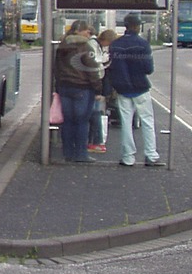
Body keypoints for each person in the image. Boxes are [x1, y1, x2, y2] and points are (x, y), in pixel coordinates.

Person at [108, 13, 165, 167]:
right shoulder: (142, 44)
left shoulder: (115, 44)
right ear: (137, 26)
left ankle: (128, 157)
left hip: (122, 88)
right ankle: (151, 155)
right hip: (140, 87)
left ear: (126, 26)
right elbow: (148, 68)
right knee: (147, 121)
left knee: (126, 122)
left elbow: (112, 67)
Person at [54, 20, 102, 163]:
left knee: (68, 121)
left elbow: (56, 68)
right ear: (78, 31)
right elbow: (91, 70)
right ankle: (81, 154)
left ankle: (68, 153)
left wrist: (59, 85)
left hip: (65, 87)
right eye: (87, 30)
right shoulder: (85, 47)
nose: (89, 33)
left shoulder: (62, 46)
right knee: (81, 122)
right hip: (82, 88)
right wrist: (98, 88)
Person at [87, 28, 117, 153]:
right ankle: (96, 141)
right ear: (106, 40)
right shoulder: (93, 45)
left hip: (94, 84)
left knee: (95, 112)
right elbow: (95, 66)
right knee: (96, 113)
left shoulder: (94, 44)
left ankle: (95, 141)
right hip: (94, 84)